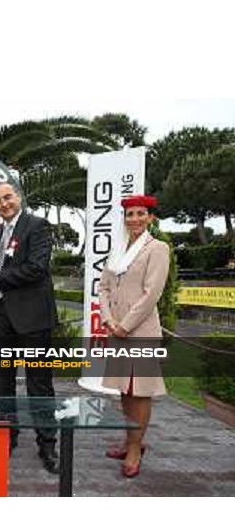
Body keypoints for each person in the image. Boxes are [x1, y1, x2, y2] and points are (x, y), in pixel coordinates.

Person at [0, 182, 59, 473]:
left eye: (7, 197)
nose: (3, 203)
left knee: (39, 384)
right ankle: (7, 436)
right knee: (3, 383)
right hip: (1, 317)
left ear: (18, 196)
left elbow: (37, 268)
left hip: (32, 319)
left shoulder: (38, 226)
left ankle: (47, 444)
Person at [99, 194, 170, 478]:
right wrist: (108, 319)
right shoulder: (118, 249)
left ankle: (135, 448)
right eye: (130, 214)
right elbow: (103, 287)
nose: (135, 219)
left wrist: (125, 325)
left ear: (150, 217)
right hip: (116, 328)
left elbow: (151, 293)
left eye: (141, 214)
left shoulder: (157, 248)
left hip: (139, 330)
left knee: (140, 391)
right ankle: (130, 440)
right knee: (124, 389)